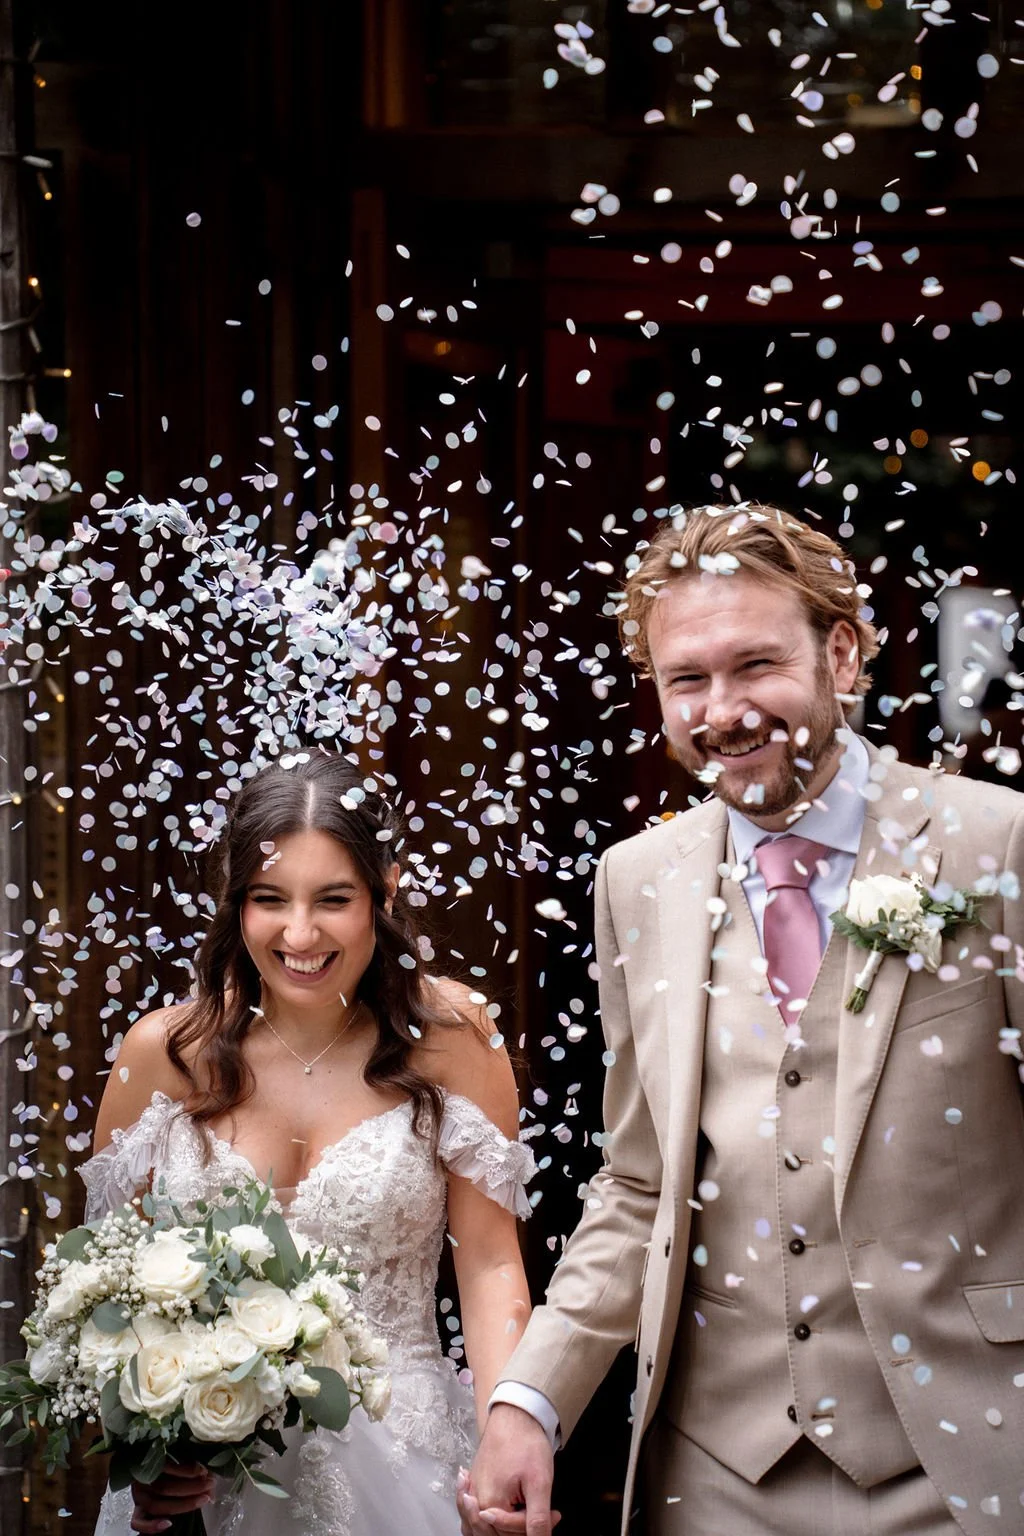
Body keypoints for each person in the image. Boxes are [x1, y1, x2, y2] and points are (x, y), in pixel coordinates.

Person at [458, 505, 1024, 1536]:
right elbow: (638, 1182)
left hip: (970, 1459)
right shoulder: (636, 882)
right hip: (715, 1475)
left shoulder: (998, 842)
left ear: (841, 653)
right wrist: (527, 1402)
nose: (721, 710)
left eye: (755, 664)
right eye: (686, 680)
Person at [81, 751, 535, 1536]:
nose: (299, 933)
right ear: (235, 904)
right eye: (269, 900)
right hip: (204, 1483)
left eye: (333, 899)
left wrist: (509, 1437)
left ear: (383, 895)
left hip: (405, 1464)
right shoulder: (163, 1053)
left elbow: (492, 1262)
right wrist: (142, 1448)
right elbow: (104, 1286)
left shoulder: (454, 1040)